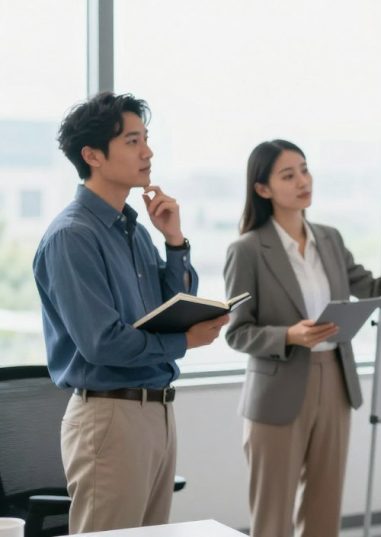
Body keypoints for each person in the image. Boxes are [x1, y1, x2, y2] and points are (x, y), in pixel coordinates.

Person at [223, 139, 381, 537]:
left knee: (324, 507)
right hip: (278, 388)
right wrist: (289, 335)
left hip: (334, 379)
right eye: (288, 174)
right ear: (262, 189)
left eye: (304, 169)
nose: (303, 180)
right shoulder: (246, 250)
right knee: (272, 514)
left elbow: (375, 289)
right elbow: (237, 331)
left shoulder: (329, 239)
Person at [32, 92, 227, 533]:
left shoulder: (132, 228)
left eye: (147, 139)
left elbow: (168, 305)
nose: (148, 152)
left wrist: (174, 241)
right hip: (110, 418)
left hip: (155, 411)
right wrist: (185, 342)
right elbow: (102, 342)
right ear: (92, 155)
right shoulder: (73, 237)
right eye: (133, 141)